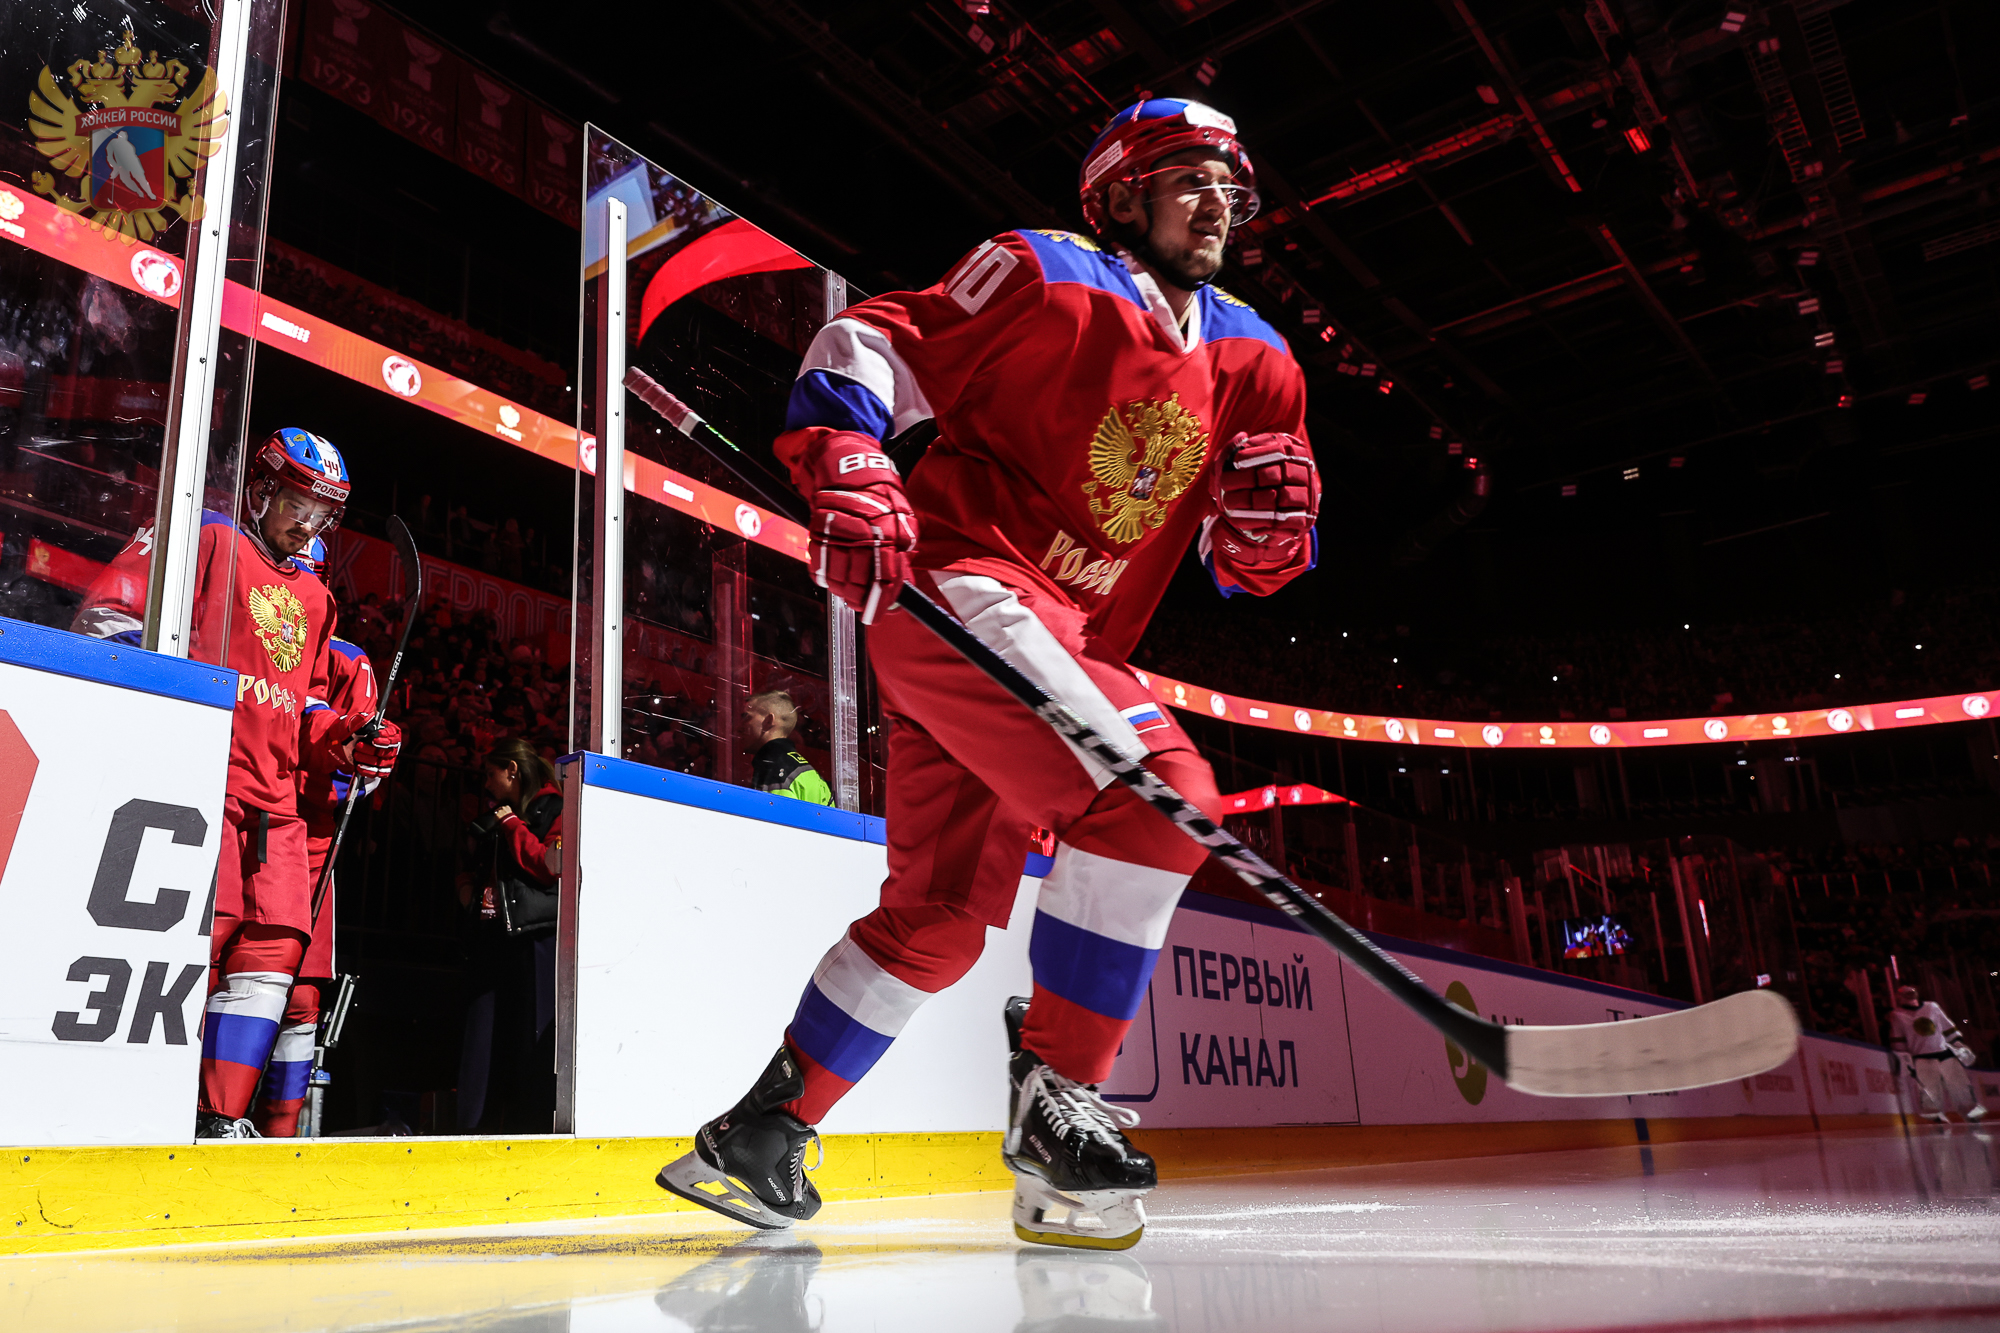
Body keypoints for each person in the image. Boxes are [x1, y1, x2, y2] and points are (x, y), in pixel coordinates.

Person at [657, 98, 1319, 1249]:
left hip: (1058, 650)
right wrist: (849, 454)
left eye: (1231, 187)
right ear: (1119, 196)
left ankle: (758, 1135)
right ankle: (1059, 1099)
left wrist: (1267, 539)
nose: (1218, 203)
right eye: (1189, 179)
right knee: (1159, 794)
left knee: (940, 921)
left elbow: (1243, 553)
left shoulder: (1258, 360)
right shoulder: (1048, 274)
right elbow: (868, 344)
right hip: (961, 593)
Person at [73, 427, 402, 1138]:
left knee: (275, 952)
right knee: (200, 939)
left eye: (323, 513)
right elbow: (106, 621)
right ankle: (149, 1101)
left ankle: (218, 1117)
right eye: (298, 505)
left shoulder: (315, 597)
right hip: (202, 781)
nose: (309, 524)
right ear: (260, 489)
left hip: (276, 801)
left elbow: (304, 706)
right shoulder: (207, 535)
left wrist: (349, 744)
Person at [253, 630, 395, 1138]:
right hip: (231, 808)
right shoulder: (234, 622)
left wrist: (313, 778)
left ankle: (280, 1135)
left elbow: (368, 768)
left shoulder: (346, 658)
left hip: (305, 836)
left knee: (299, 998)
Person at [455, 738, 563, 1132]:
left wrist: (512, 825)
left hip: (533, 939)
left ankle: (528, 1130)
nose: (486, 783)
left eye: (491, 773)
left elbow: (548, 867)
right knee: (481, 1041)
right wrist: (468, 894)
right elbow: (472, 865)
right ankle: (472, 1130)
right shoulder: (496, 817)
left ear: (512, 771)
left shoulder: (554, 808)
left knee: (528, 1040)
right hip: (491, 939)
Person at [1888, 984, 1987, 1123]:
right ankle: (1935, 1116)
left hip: (1944, 1052)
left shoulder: (1932, 1007)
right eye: (1907, 993)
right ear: (1899, 997)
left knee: (1960, 1085)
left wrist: (1958, 1044)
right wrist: (1905, 1059)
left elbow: (1947, 1027)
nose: (1910, 995)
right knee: (1930, 1089)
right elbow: (1899, 1041)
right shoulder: (1897, 1015)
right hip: (1921, 1057)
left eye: (1912, 992)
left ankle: (1970, 1111)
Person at [744, 689, 833, 805]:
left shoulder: (775, 767)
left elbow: (774, 815)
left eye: (746, 717)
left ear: (768, 721)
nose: (739, 727)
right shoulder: (803, 769)